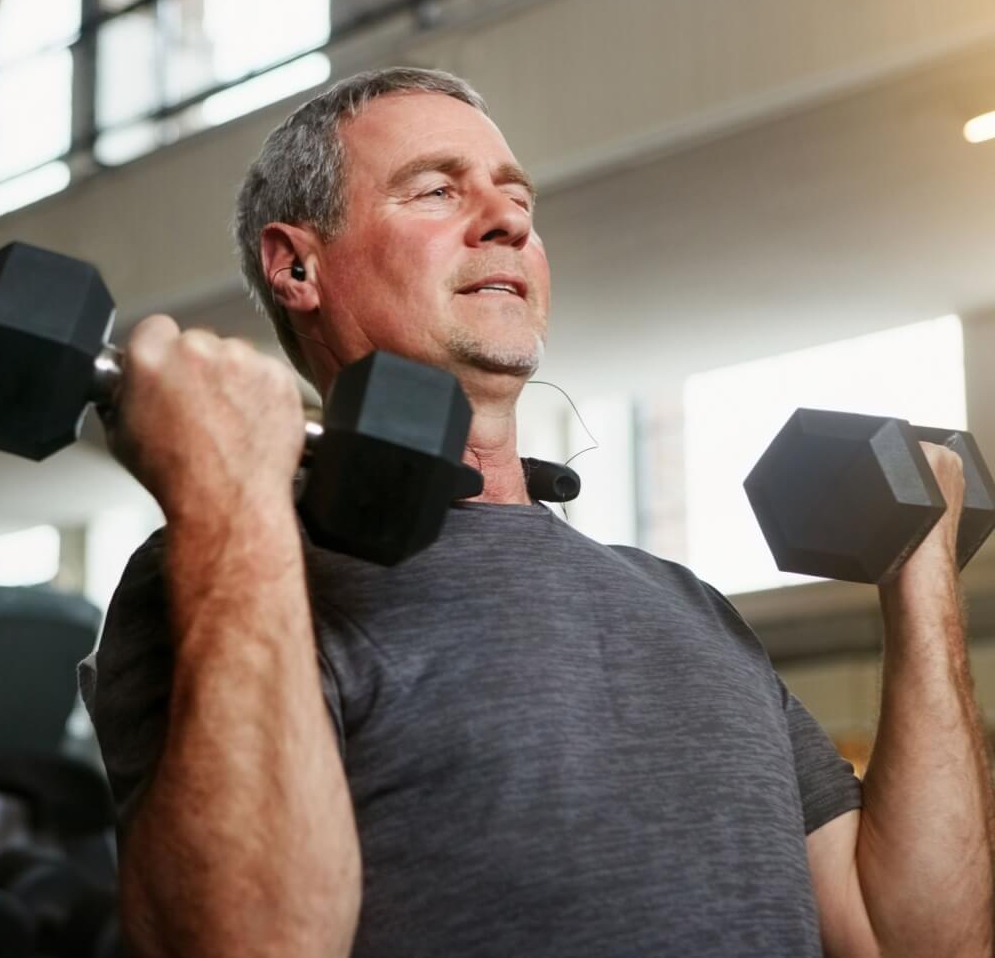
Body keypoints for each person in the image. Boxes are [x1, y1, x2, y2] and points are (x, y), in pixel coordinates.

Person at [79, 68, 994, 956]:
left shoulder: (689, 605)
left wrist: (920, 576)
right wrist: (234, 503)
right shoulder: (229, 568)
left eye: (517, 197)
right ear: (296, 266)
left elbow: (914, 941)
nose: (508, 219)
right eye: (436, 190)